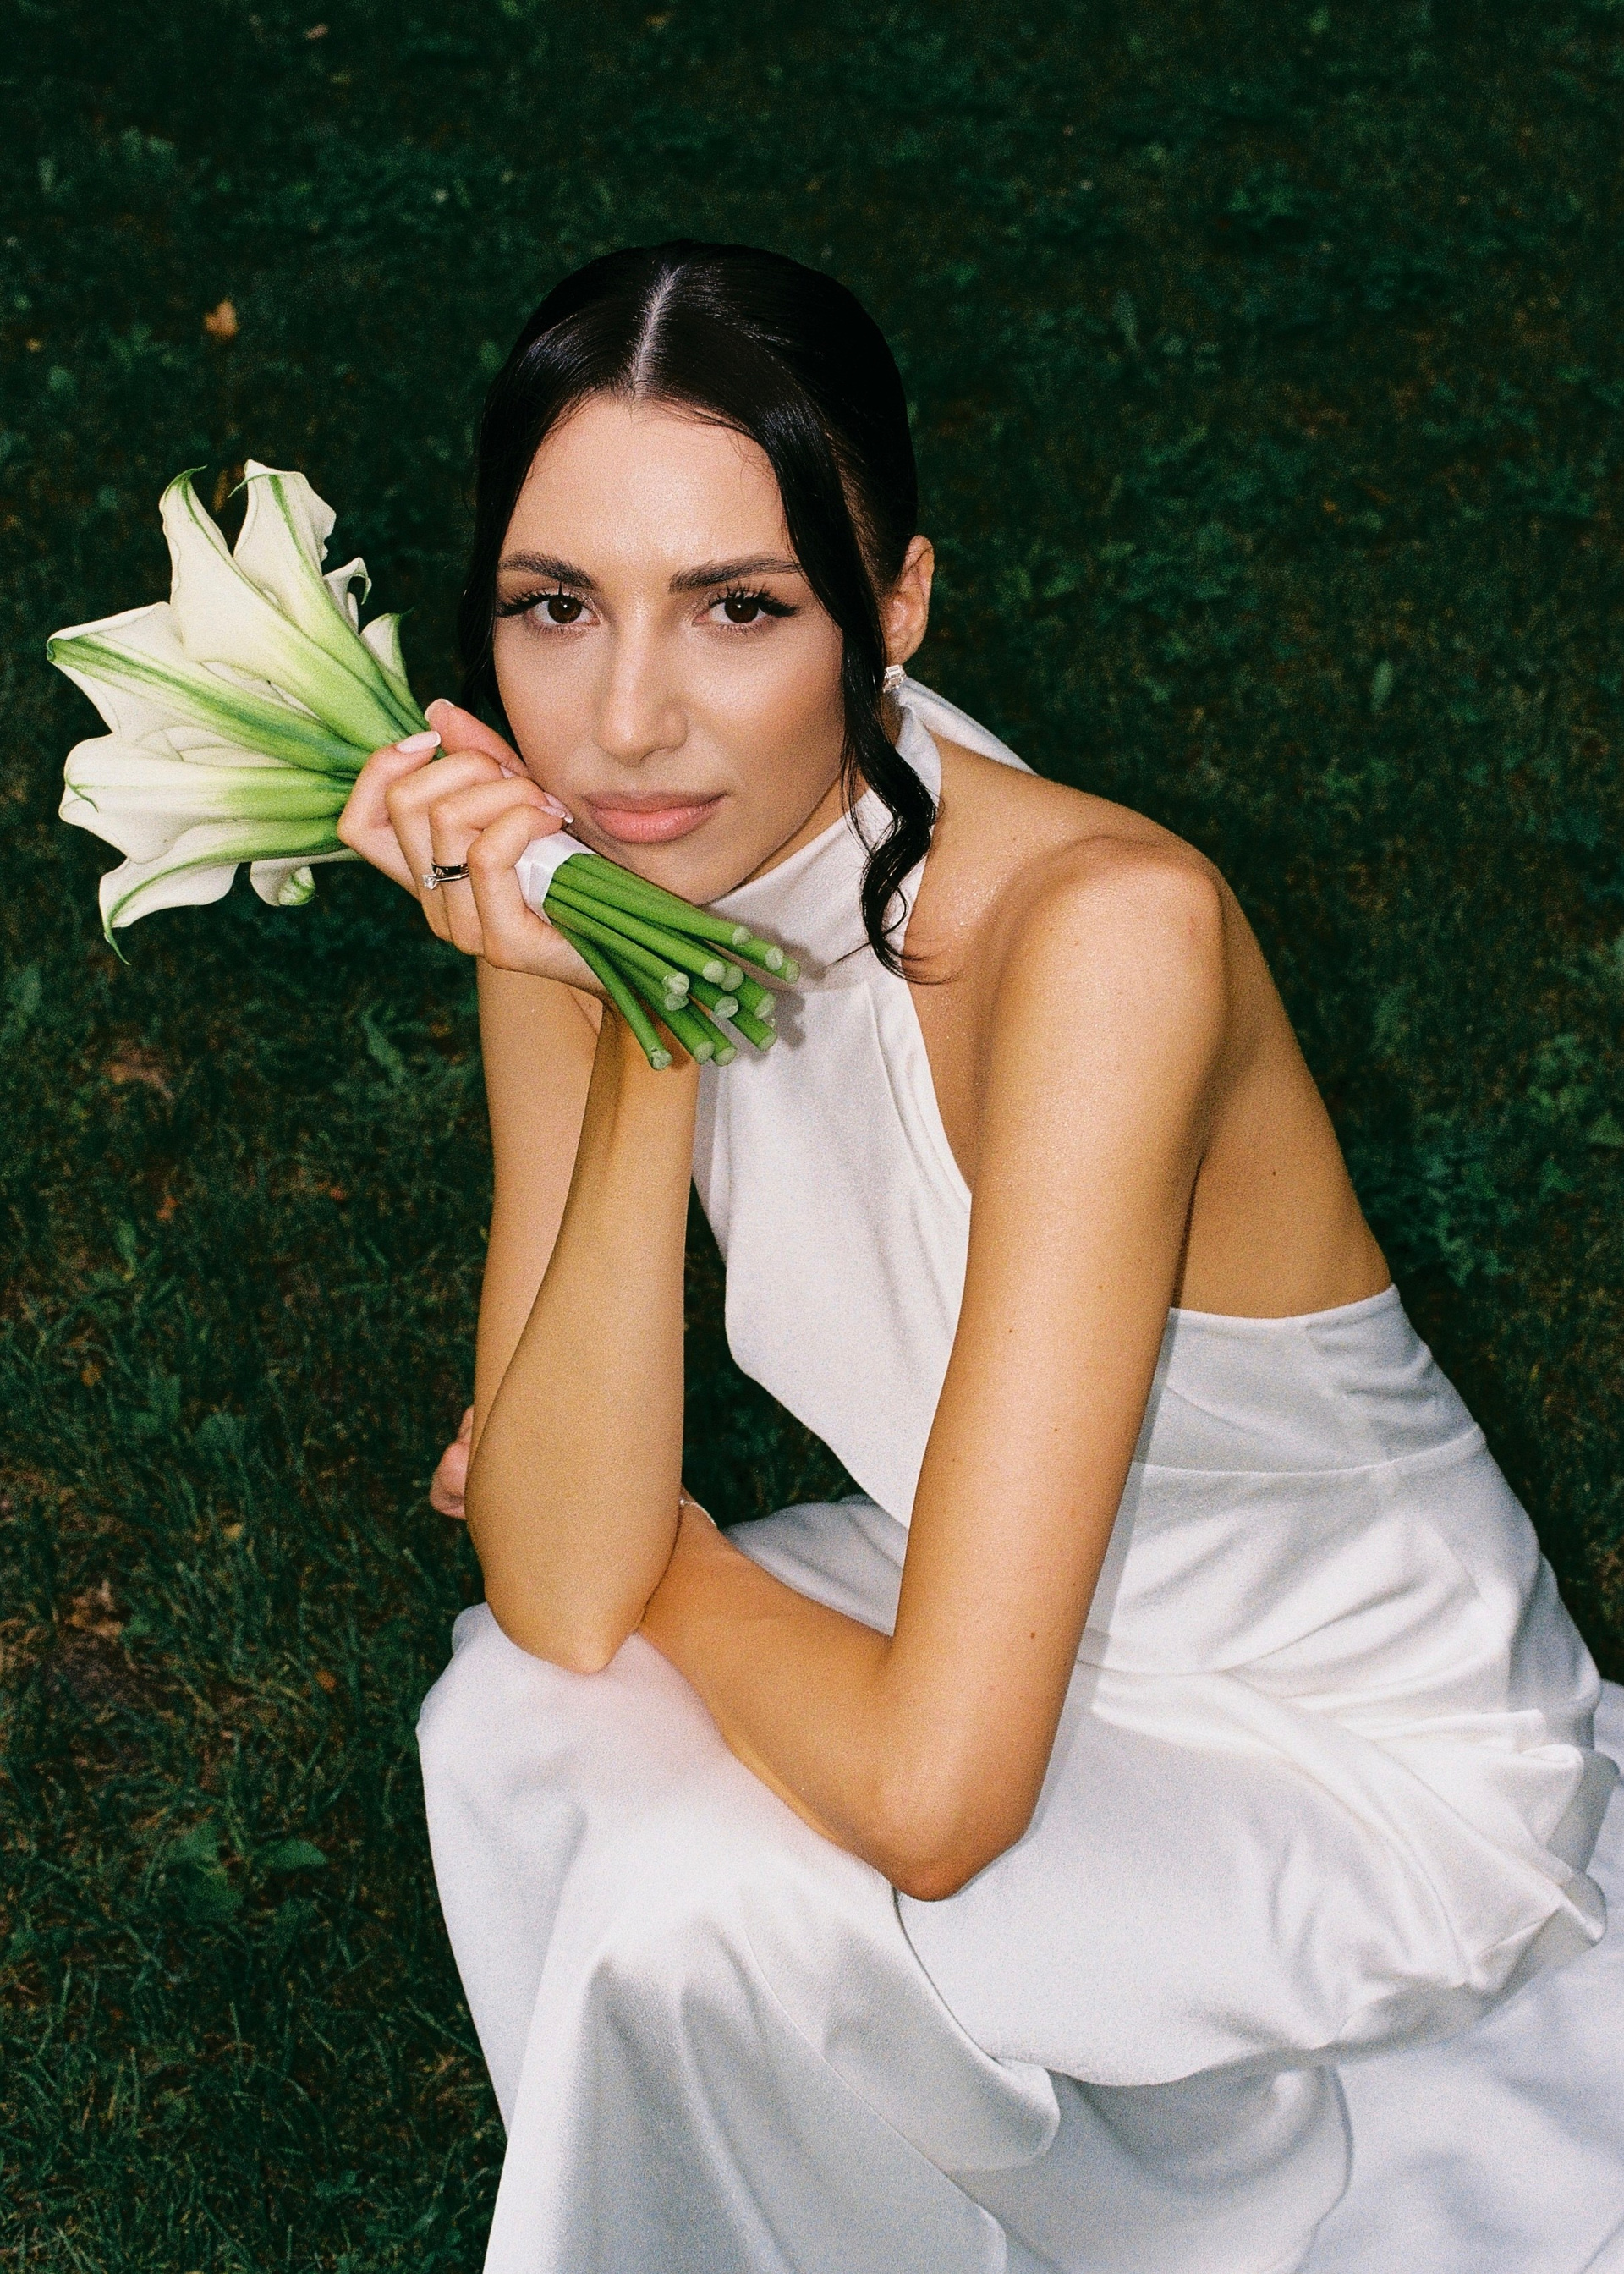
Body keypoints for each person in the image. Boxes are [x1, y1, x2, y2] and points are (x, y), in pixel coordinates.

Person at [337, 243, 1624, 2274]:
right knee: (511, 1710)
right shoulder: (582, 876)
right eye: (555, 607)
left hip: (1350, 1750)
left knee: (694, 1908)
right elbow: (558, 1590)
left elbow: (930, 1796)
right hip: (992, 1592)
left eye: (741, 607)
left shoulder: (1108, 941)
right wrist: (640, 1026)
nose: (626, 722)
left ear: (899, 604)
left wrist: (682, 1555)